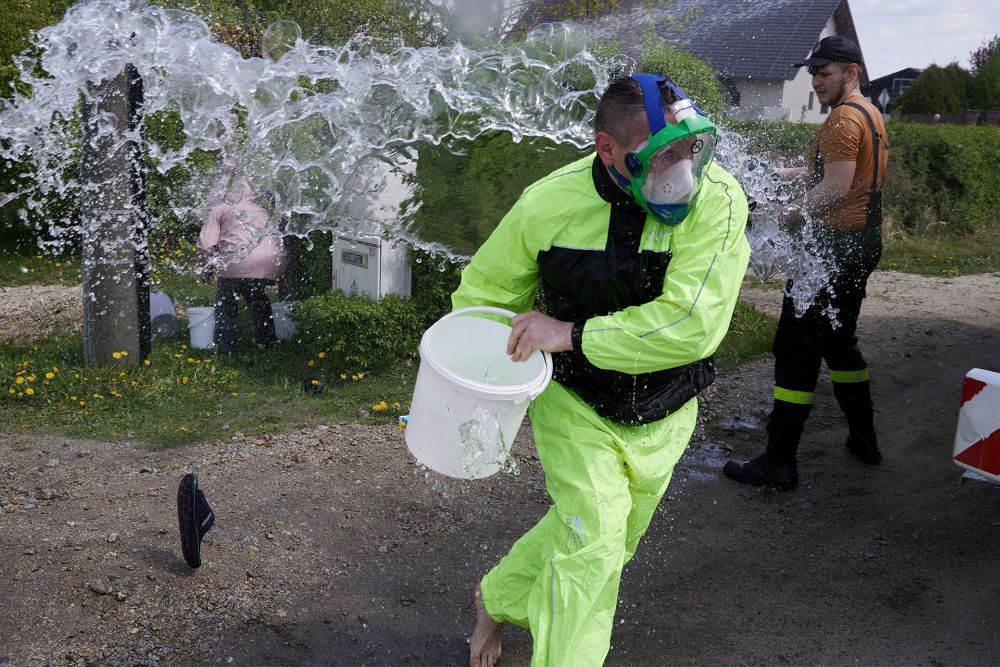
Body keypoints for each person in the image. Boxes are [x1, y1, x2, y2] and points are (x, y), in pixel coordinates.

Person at [456, 73, 750, 667]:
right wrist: (479, 381)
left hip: (668, 403)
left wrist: (570, 333)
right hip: (573, 397)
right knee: (591, 542)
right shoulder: (547, 203)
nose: (680, 167)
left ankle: (497, 595)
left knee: (613, 540)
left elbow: (692, 324)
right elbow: (483, 298)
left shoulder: (717, 200)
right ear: (606, 149)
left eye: (687, 148)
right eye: (660, 154)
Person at [723, 35, 889, 491]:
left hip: (834, 249)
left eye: (824, 73)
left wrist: (777, 214)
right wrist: (780, 175)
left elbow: (835, 189)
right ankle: (864, 438)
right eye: (812, 73)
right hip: (862, 244)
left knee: (795, 349)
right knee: (839, 344)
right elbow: (842, 174)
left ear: (851, 71)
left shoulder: (841, 121)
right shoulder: (870, 114)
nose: (816, 81)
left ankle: (778, 463)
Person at [197, 180, 290, 355]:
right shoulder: (260, 210)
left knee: (226, 301)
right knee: (257, 297)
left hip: (238, 262)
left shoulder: (220, 208)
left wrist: (205, 269)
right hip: (270, 262)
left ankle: (225, 348)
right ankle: (267, 342)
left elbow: (206, 244)